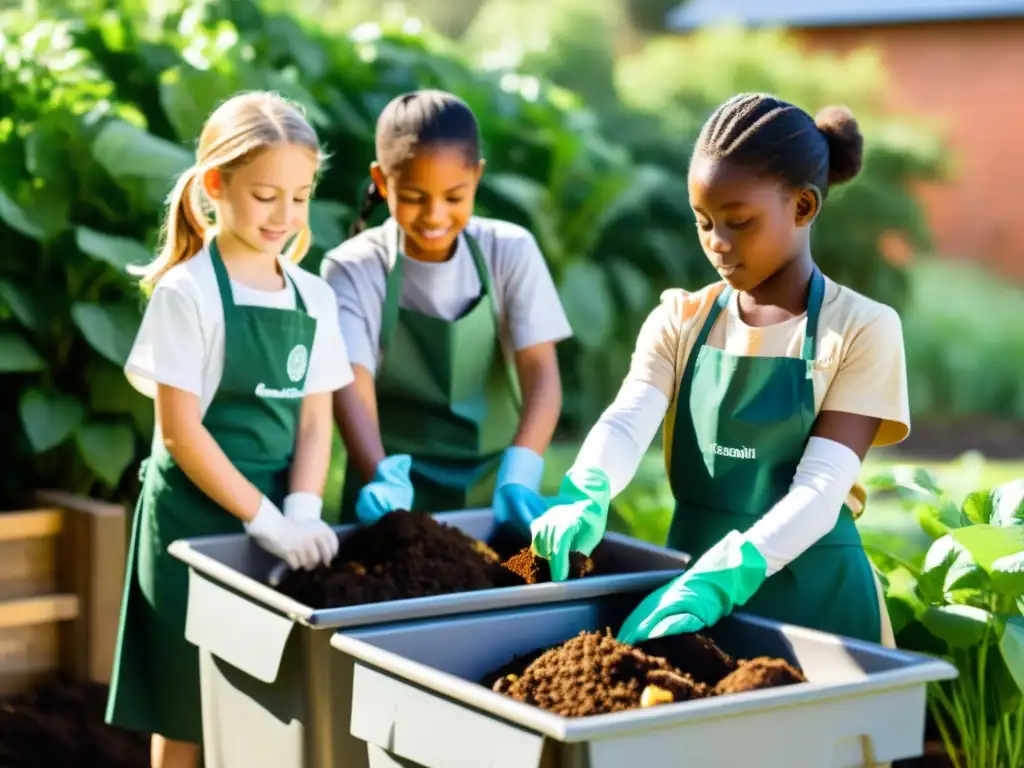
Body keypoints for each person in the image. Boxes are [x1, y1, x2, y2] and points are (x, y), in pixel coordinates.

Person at [532, 93, 910, 648]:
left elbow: (821, 488)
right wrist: (588, 490)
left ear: (803, 207)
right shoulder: (682, 319)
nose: (716, 243)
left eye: (738, 222)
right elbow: (629, 416)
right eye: (703, 222)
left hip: (816, 601)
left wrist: (724, 577)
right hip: (690, 592)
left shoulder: (859, 327)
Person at [105, 91, 352, 768]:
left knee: (264, 699)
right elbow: (182, 435)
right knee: (186, 706)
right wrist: (262, 517)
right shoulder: (189, 293)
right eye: (266, 195)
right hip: (191, 523)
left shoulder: (313, 297)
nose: (285, 215)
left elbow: (313, 421)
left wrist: (300, 508)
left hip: (280, 515)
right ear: (216, 185)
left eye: (299, 197)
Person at [320, 90, 572, 537]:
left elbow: (541, 374)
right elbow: (350, 389)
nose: (434, 215)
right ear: (381, 181)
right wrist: (381, 480)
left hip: (494, 493)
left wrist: (522, 469)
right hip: (392, 488)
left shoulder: (509, 250)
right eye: (414, 197)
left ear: (477, 178)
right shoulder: (353, 268)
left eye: (454, 197)